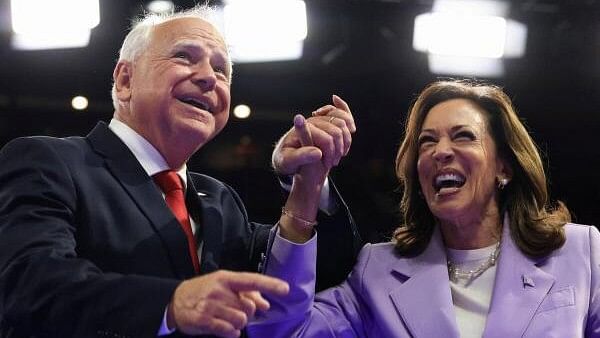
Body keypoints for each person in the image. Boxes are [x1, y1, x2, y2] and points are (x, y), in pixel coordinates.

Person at [0, 5, 361, 338]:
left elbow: (322, 274)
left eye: (221, 69)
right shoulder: (49, 162)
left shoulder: (219, 199)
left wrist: (308, 182)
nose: (209, 78)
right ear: (125, 80)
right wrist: (170, 303)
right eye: (184, 56)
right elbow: (29, 285)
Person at [247, 80, 600, 337]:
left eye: (463, 136)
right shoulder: (379, 272)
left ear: (504, 168)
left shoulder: (581, 252)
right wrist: (306, 187)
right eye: (426, 142)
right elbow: (283, 334)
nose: (439, 151)